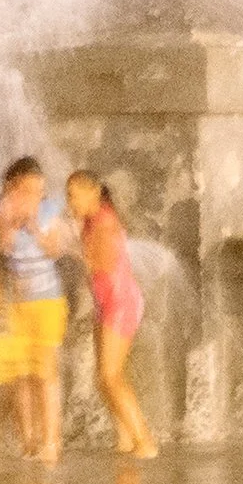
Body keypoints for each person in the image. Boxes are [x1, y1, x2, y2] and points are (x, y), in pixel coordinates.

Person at [66, 169, 157, 458]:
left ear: (92, 193)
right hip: (107, 301)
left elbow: (100, 264)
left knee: (111, 375)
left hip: (121, 302)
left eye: (73, 195)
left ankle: (145, 442)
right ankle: (126, 438)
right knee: (104, 378)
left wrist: (65, 250)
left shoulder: (104, 222)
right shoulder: (92, 220)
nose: (69, 201)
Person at [0, 156, 68, 466]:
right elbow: (2, 247)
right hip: (16, 303)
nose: (36, 196)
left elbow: (55, 249)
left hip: (47, 301)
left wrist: (34, 225)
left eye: (39, 190)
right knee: (20, 374)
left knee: (46, 373)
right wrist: (9, 223)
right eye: (29, 190)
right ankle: (28, 441)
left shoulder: (50, 210)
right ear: (11, 187)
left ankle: (51, 442)